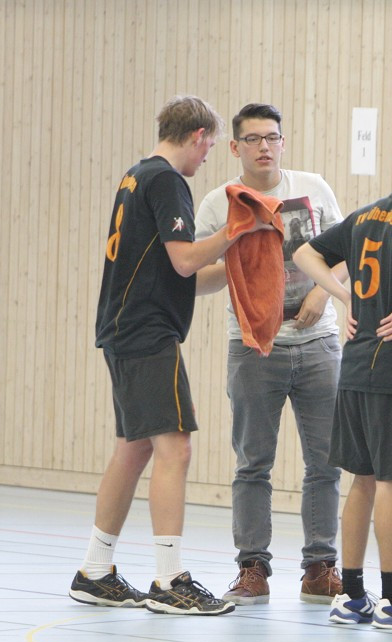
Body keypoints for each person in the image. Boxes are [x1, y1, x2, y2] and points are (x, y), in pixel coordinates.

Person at [70, 95, 262, 615]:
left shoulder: (136, 176)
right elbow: (183, 262)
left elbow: (180, 276)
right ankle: (170, 579)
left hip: (123, 327)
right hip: (146, 333)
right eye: (210, 149)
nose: (207, 161)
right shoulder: (165, 180)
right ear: (198, 136)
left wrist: (242, 264)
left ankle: (94, 570)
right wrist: (234, 232)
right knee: (176, 448)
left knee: (134, 448)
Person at [293, 123, 392, 629]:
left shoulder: (367, 214)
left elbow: (304, 253)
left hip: (356, 364)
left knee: (360, 481)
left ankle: (354, 595)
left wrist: (347, 296)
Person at [194, 103, 345, 605]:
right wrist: (237, 256)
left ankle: (321, 565)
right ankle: (252, 565)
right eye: (253, 138)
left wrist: (323, 292)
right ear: (234, 148)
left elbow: (343, 254)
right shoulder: (220, 203)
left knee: (325, 462)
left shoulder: (314, 188)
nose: (264, 146)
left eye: (272, 137)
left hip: (319, 344)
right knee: (252, 463)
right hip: (254, 348)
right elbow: (196, 279)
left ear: (283, 143)